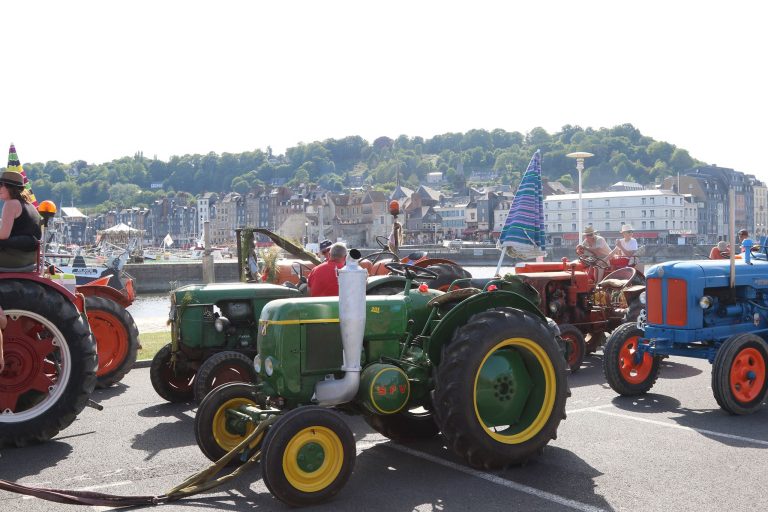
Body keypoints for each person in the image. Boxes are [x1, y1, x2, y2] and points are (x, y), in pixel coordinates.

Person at [0, 171, 42, 267]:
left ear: (10, 187)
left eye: (0, 185)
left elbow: (3, 235)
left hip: (14, 257)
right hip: (30, 259)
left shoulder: (11, 204)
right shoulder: (30, 206)